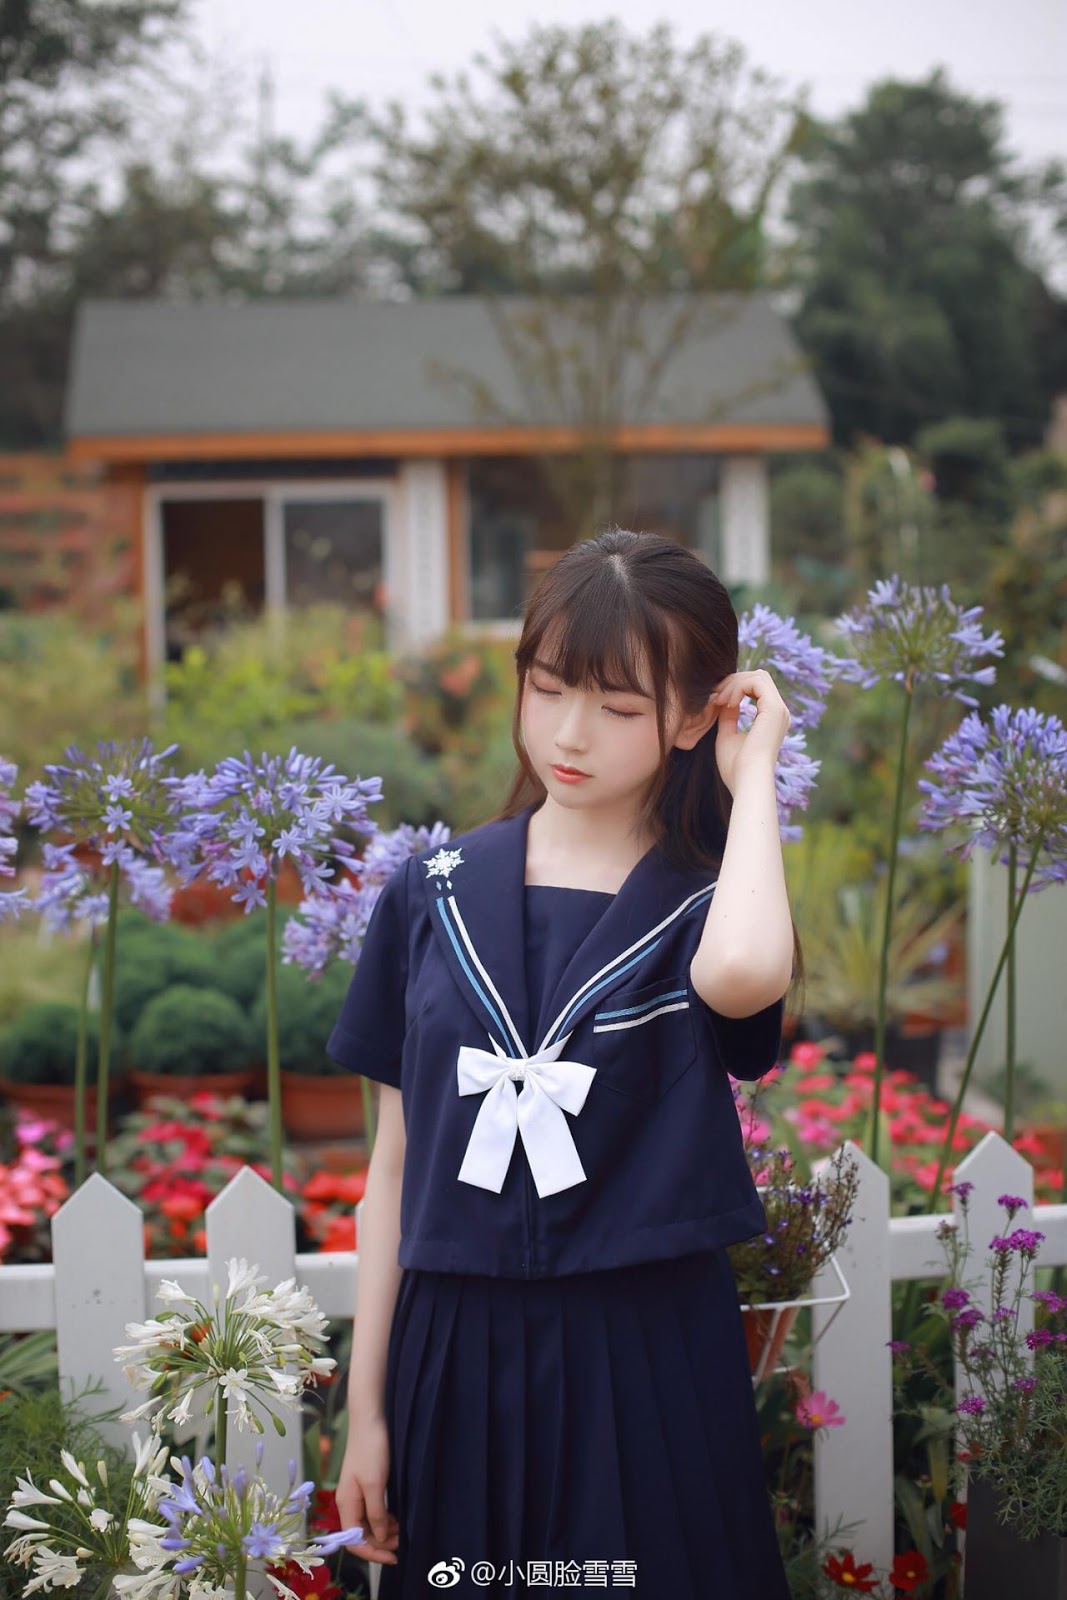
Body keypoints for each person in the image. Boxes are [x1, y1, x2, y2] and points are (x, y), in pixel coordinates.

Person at [327, 528, 797, 1599]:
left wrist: (755, 773)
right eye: (545, 690)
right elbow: (390, 1172)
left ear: (692, 718)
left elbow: (740, 977)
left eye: (619, 708)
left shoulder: (707, 900)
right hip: (456, 1350)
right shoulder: (430, 892)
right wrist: (366, 1413)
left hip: (648, 1354)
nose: (568, 734)